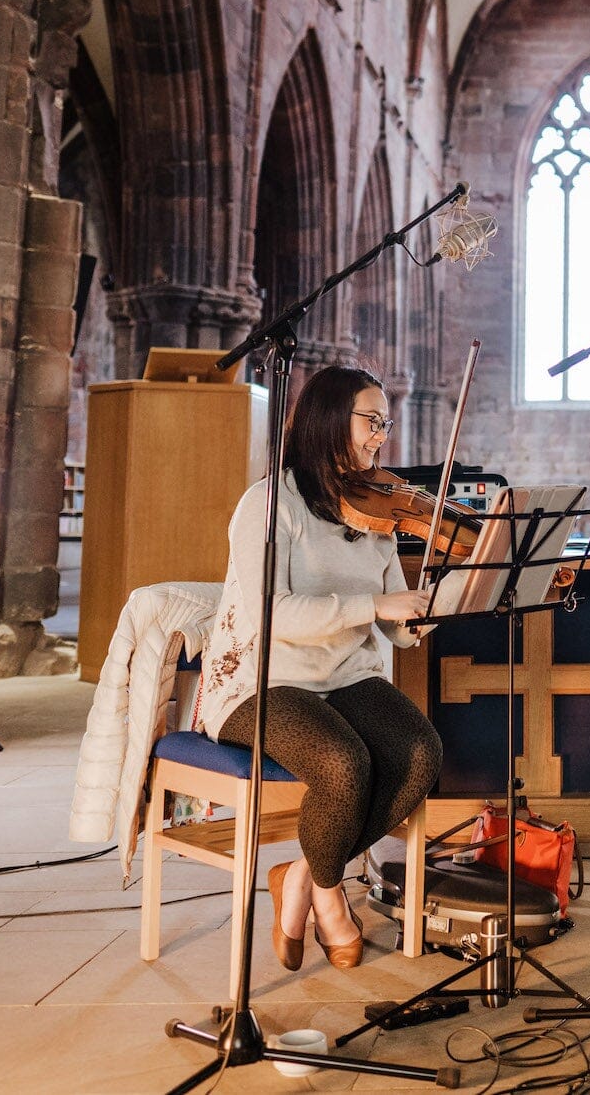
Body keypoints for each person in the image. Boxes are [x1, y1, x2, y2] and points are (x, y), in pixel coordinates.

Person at [198, 365, 440, 971]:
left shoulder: (376, 511)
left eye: (385, 423)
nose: (381, 436)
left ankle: (302, 873)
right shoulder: (269, 502)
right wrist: (375, 606)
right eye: (371, 420)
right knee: (342, 763)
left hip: (345, 677)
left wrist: (416, 621)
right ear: (330, 419)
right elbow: (268, 613)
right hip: (262, 681)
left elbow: (390, 619)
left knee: (419, 753)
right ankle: (330, 897)